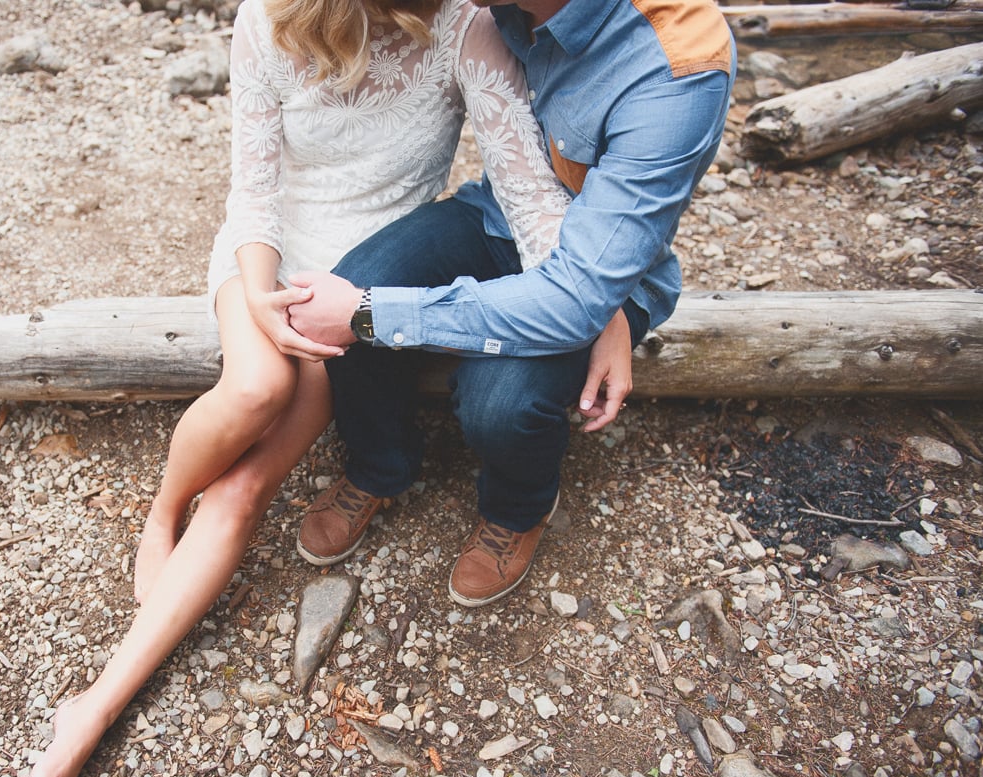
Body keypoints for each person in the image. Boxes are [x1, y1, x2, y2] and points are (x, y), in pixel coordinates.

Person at [23, 0, 615, 777]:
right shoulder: (264, 18)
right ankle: (161, 511)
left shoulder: (462, 28)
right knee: (254, 389)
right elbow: (252, 191)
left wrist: (600, 310)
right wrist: (262, 300)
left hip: (354, 293)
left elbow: (526, 194)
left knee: (245, 492)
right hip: (263, 258)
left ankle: (90, 709)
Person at [288, 0, 735, 607]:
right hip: (499, 215)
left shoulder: (679, 70)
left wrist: (372, 313)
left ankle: (519, 507)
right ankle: (379, 464)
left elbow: (575, 292)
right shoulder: (492, 8)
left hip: (606, 269)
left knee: (500, 402)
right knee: (355, 280)